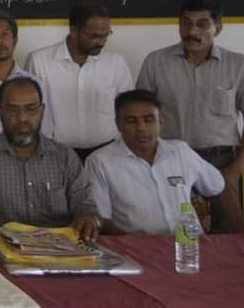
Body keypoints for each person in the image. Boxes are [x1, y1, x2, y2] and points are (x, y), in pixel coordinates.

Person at [0, 77, 101, 242]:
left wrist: (88, 218)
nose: (22, 117)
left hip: (59, 250)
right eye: (13, 110)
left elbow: (87, 208)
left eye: (31, 109)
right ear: (0, 113)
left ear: (42, 111)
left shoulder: (66, 158)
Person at [136, 0, 244, 232]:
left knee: (227, 235)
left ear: (218, 28)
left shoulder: (238, 66)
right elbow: (139, 115)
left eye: (202, 24)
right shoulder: (156, 62)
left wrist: (235, 171)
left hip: (221, 163)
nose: (192, 31)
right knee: (173, 232)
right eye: (186, 23)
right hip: (169, 162)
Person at [84, 90, 224, 235]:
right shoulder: (100, 162)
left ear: (160, 122)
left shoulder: (181, 151)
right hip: (135, 246)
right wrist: (134, 243)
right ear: (118, 125)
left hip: (189, 243)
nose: (141, 128)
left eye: (148, 119)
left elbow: (216, 186)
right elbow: (100, 219)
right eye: (131, 121)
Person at [25, 0, 132, 159]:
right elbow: (30, 110)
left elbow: (128, 109)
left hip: (107, 154)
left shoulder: (116, 63)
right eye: (94, 36)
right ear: (74, 31)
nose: (102, 42)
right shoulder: (39, 61)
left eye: (106, 35)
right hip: (55, 154)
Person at [0, 8, 53, 142]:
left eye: (5, 34)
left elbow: (46, 130)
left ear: (15, 40)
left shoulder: (36, 84)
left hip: (28, 154)